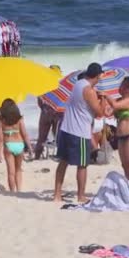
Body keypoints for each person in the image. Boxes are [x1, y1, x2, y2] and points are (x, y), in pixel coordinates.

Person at [53, 63, 106, 203]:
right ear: (98, 75)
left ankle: (57, 194)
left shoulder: (78, 83)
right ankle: (81, 196)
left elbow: (85, 105)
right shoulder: (89, 90)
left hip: (66, 128)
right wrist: (103, 99)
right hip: (79, 131)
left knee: (63, 162)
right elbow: (99, 113)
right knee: (82, 165)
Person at [0, 99, 33, 192]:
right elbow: (25, 134)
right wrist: (30, 148)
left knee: (11, 172)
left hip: (8, 146)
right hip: (19, 145)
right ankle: (19, 191)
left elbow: (0, 139)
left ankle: (12, 192)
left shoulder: (1, 121)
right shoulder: (19, 119)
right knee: (18, 170)